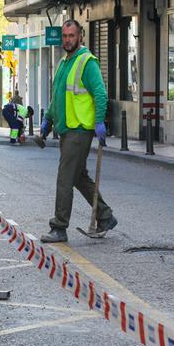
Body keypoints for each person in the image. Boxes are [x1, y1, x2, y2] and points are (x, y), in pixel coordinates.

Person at [39, 19, 116, 243]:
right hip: (67, 129)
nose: (67, 40)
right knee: (79, 177)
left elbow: (100, 94)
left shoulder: (86, 61)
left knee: (65, 177)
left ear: (80, 36)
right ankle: (105, 216)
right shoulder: (64, 62)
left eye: (71, 35)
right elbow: (57, 97)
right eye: (64, 36)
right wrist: (48, 120)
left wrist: (99, 122)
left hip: (80, 129)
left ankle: (59, 227)